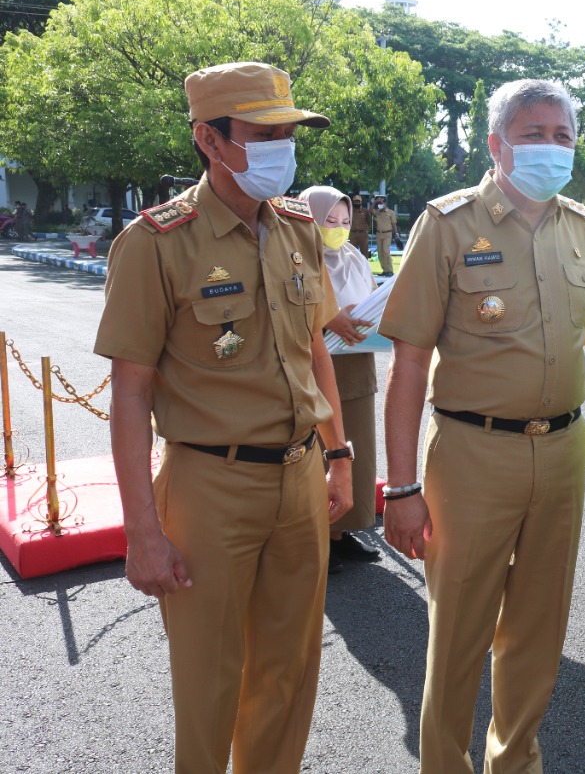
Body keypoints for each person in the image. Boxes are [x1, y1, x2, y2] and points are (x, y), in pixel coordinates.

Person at [377, 78, 585, 774]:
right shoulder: (448, 223)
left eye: (563, 136)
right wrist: (400, 486)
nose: (551, 147)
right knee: (459, 634)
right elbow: (407, 366)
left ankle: (515, 762)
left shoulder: (576, 225)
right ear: (497, 144)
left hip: (561, 449)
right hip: (470, 451)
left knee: (537, 629)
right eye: (535, 133)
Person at [93, 61, 353, 772]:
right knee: (209, 681)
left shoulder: (298, 226)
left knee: (288, 674)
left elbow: (313, 347)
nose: (282, 147)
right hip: (210, 485)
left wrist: (339, 452)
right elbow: (130, 395)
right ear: (210, 140)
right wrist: (141, 530)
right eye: (263, 133)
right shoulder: (156, 243)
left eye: (288, 132)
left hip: (300, 477)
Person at [299, 185, 382, 574]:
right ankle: (317, 538)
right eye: (329, 220)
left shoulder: (355, 258)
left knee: (357, 444)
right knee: (319, 451)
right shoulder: (297, 258)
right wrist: (331, 315)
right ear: (310, 218)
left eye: (345, 221)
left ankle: (342, 532)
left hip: (357, 362)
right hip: (316, 364)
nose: (338, 228)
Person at [372, 194, 398, 276]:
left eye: (382, 202)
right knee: (380, 253)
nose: (380, 204)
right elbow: (370, 211)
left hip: (388, 233)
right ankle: (385, 270)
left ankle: (390, 270)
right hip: (379, 233)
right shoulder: (377, 212)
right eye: (379, 202)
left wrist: (396, 234)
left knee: (386, 251)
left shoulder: (391, 212)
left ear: (385, 203)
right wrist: (375, 202)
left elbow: (394, 224)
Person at [349, 194, 370, 258]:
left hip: (363, 234)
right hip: (353, 233)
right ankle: (353, 267)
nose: (357, 203)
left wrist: (366, 230)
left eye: (358, 201)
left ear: (361, 202)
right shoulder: (349, 211)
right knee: (352, 253)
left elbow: (369, 222)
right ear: (353, 202)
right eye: (355, 201)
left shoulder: (365, 211)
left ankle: (365, 267)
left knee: (364, 253)